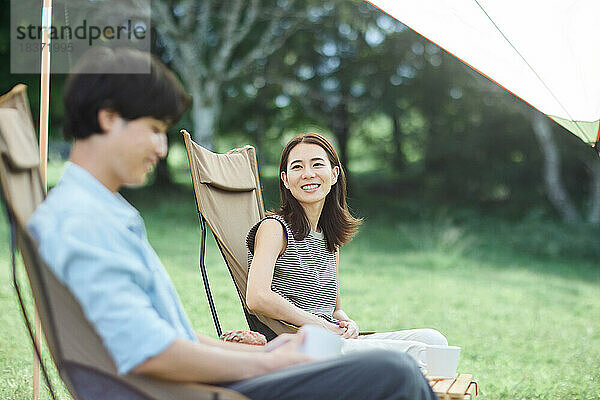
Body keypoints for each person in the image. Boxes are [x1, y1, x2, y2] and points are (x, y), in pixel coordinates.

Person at [27, 47, 438, 400]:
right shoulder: (81, 220)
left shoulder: (103, 212)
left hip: (197, 381)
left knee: (396, 365)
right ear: (108, 118)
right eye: (153, 130)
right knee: (394, 372)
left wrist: (265, 354)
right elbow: (150, 351)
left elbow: (173, 336)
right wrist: (266, 365)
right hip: (188, 391)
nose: (160, 147)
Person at [246, 132, 449, 367]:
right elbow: (257, 297)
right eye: (297, 167)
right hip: (302, 346)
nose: (308, 174)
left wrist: (347, 323)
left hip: (334, 340)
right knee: (416, 356)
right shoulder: (274, 229)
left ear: (334, 174)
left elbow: (334, 310)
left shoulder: (328, 239)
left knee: (434, 341)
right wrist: (321, 325)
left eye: (317, 164)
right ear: (285, 179)